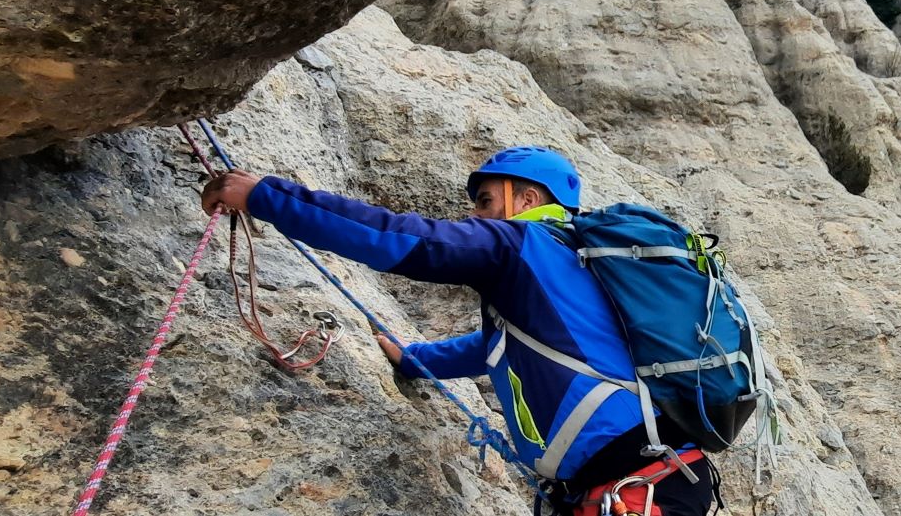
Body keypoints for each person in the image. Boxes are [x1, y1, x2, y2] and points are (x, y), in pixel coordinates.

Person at [200, 148, 720, 515]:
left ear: (527, 196)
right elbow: (504, 348)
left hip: (634, 485)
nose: (475, 215)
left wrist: (265, 196)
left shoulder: (522, 244)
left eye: (487, 201)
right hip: (650, 481)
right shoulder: (573, 265)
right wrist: (413, 360)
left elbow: (398, 239)